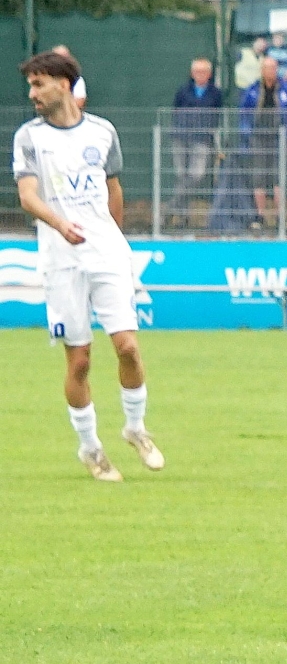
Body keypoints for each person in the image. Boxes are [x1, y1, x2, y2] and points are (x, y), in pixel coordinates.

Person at [12, 50, 165, 482]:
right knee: (79, 361)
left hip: (106, 254)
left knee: (128, 347)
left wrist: (113, 239)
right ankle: (91, 448)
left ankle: (135, 428)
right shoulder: (29, 138)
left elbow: (113, 189)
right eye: (30, 86)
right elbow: (27, 196)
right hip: (61, 260)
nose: (32, 94)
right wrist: (60, 224)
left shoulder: (102, 132)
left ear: (63, 85)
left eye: (39, 84)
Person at [239, 56, 287, 230]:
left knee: (278, 178)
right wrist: (246, 132)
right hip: (258, 137)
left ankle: (280, 217)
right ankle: (260, 216)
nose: (270, 71)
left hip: (279, 137)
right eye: (266, 68)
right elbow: (244, 113)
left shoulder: (286, 89)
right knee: (258, 177)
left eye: (273, 68)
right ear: (261, 70)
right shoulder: (253, 89)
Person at [169, 57, 222, 225]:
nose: (200, 75)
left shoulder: (215, 93)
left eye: (204, 72)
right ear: (192, 73)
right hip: (181, 138)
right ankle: (183, 216)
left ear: (209, 74)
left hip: (202, 139)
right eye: (197, 71)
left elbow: (217, 116)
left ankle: (169, 209)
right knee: (181, 175)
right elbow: (175, 111)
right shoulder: (183, 91)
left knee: (196, 175)